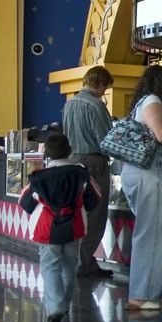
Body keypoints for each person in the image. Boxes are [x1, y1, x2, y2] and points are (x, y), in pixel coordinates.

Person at [121, 65, 162, 311]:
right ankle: (141, 295)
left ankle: (150, 292)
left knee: (154, 235)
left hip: (150, 177)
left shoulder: (144, 102)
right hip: (154, 178)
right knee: (153, 236)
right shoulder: (152, 102)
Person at [20, 132, 101, 322]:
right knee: (70, 266)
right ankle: (64, 305)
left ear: (45, 153)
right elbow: (95, 197)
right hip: (74, 226)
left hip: (46, 229)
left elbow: (24, 201)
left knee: (50, 266)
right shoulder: (81, 174)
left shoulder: (38, 178)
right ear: (70, 150)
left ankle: (55, 307)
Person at [61, 65, 114, 278]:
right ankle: (83, 263)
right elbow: (107, 140)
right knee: (95, 216)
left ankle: (82, 260)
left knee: (78, 214)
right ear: (100, 83)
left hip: (72, 161)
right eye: (105, 88)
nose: (104, 93)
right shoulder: (96, 106)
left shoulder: (70, 104)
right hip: (95, 163)